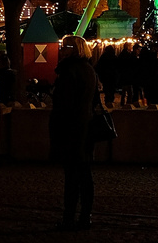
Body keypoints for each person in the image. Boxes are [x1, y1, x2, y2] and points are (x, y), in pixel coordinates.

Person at [50, 35, 100, 231]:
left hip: (71, 129)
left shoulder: (69, 72)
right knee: (85, 174)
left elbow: (64, 104)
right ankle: (85, 215)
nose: (61, 50)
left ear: (73, 49)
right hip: (85, 127)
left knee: (72, 176)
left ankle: (69, 217)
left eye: (65, 47)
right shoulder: (89, 71)